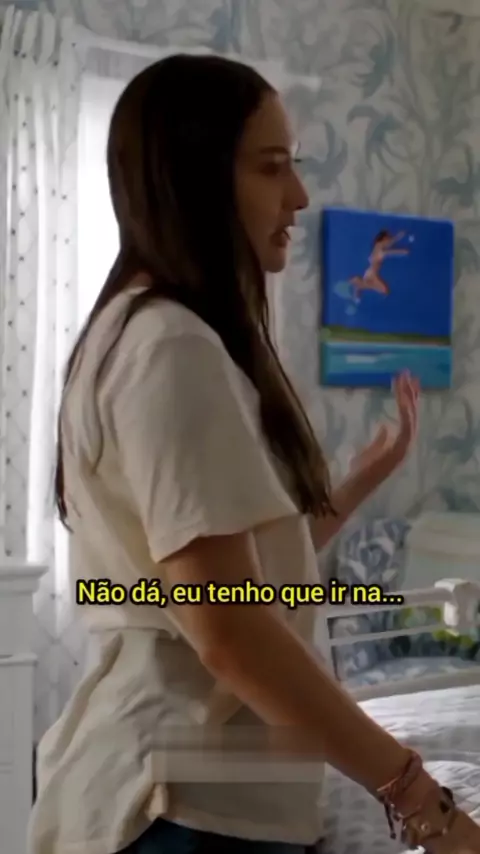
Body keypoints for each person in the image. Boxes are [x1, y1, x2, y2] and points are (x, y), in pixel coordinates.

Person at [27, 54, 480, 854]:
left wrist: (365, 476)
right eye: (272, 168)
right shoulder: (172, 346)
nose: (298, 196)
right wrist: (422, 801)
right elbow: (233, 632)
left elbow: (249, 576)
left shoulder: (134, 332)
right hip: (187, 805)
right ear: (193, 178)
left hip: (193, 793)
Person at [350, 230, 409, 300]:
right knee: (384, 290)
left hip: (370, 273)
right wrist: (402, 252)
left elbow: (391, 242)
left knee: (385, 291)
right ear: (384, 238)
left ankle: (361, 285)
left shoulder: (378, 246)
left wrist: (399, 236)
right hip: (371, 274)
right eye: (388, 237)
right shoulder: (380, 248)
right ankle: (360, 284)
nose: (390, 239)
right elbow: (388, 251)